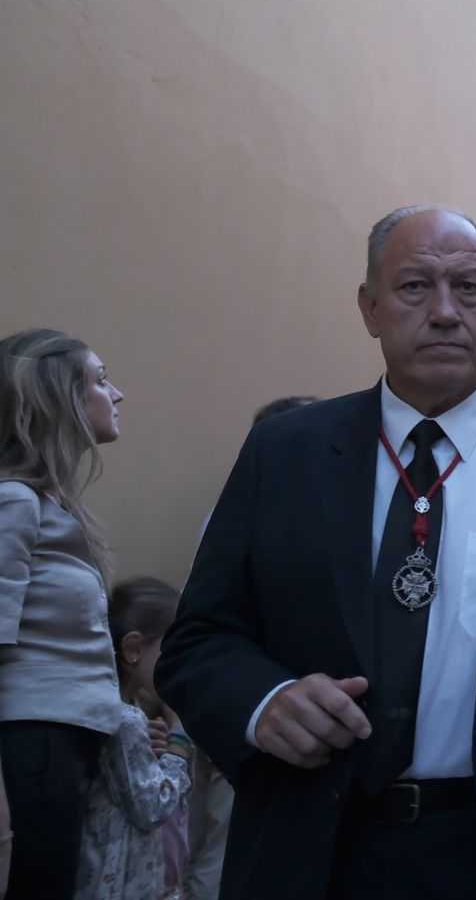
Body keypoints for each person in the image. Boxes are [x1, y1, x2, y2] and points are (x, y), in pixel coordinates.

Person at [156, 206, 476, 899]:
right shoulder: (287, 454)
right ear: (370, 308)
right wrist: (262, 700)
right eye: (415, 287)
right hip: (315, 851)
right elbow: (198, 641)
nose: (446, 312)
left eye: (469, 288)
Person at [0, 329, 126, 899]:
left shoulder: (49, 506)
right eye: (99, 381)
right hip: (31, 740)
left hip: (65, 739)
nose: (116, 394)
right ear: (59, 401)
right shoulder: (15, 502)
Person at [185, 395, 319, 900]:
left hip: (316, 735)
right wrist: (259, 700)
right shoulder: (242, 516)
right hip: (255, 719)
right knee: (224, 841)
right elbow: (202, 625)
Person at [76, 577, 192, 900]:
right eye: (173, 650)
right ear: (133, 649)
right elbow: (154, 807)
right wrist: (178, 739)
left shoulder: (127, 708)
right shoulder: (125, 719)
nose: (182, 664)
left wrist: (154, 756)